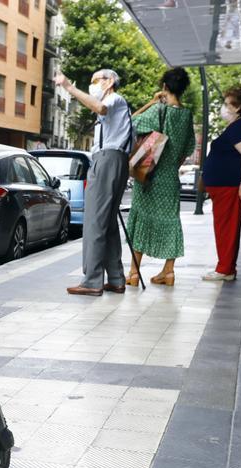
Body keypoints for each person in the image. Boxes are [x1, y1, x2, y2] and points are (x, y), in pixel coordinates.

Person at [54, 68, 134, 297]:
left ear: (109, 82)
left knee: (94, 222)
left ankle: (91, 281)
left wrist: (69, 87)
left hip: (108, 159)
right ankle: (116, 278)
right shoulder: (120, 108)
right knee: (107, 223)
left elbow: (99, 107)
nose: (93, 85)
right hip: (115, 160)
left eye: (96, 81)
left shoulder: (114, 99)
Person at [125, 67, 196, 286]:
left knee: (141, 219)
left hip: (149, 176)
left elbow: (131, 122)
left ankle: (134, 274)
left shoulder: (158, 110)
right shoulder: (186, 116)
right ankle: (168, 271)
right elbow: (188, 148)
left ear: (164, 86)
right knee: (171, 221)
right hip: (170, 178)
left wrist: (153, 101)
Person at [201, 85, 241, 282]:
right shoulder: (236, 126)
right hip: (224, 186)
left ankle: (225, 269)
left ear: (238, 107)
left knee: (227, 227)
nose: (224, 108)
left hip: (230, 186)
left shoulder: (240, 126)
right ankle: (226, 267)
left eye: (227, 104)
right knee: (225, 226)